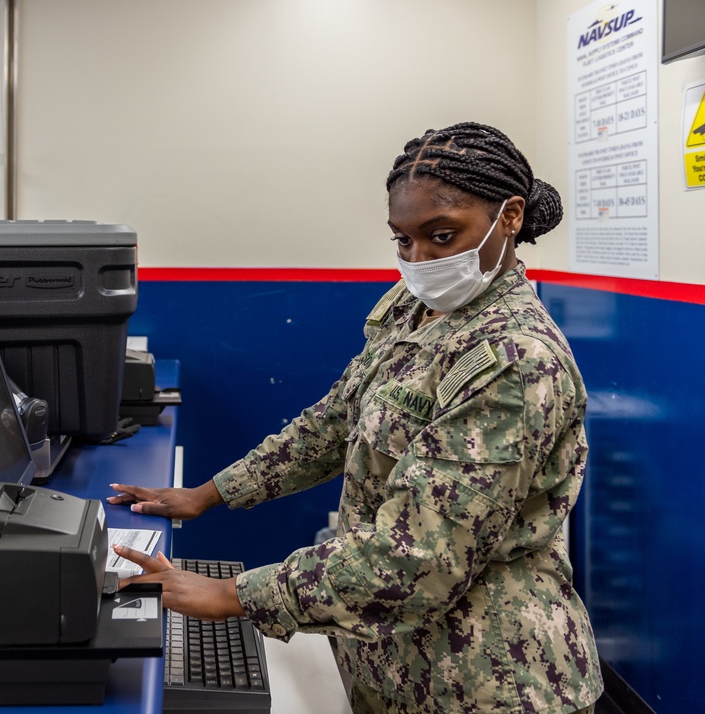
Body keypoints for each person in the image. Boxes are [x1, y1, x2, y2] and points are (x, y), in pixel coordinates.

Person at [108, 122, 603, 713]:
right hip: (392, 660)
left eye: (442, 236)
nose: (419, 260)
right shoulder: (417, 309)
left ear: (512, 216)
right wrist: (208, 494)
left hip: (487, 683)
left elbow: (419, 557)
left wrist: (234, 595)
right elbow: (337, 420)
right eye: (402, 241)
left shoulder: (516, 362)